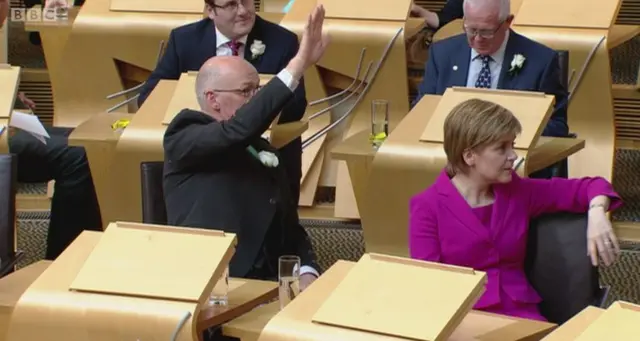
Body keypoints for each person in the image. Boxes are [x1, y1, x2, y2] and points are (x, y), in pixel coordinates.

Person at [409, 98, 621, 321]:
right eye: (502, 148)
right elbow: (429, 287)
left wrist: (597, 211)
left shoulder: (518, 191)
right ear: (469, 155)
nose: (514, 156)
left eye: (512, 145)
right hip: (461, 320)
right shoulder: (427, 207)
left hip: (523, 316)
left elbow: (592, 186)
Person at [163, 4, 328, 291]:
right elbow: (237, 130)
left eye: (257, 91)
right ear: (213, 99)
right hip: (214, 284)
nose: (254, 99)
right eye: (245, 92)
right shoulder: (184, 134)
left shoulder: (268, 152)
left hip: (269, 284)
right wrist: (297, 65)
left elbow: (290, 230)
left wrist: (308, 271)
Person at [139, 0, 307, 206]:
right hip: (206, 151)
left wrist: (253, 108)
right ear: (211, 10)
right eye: (231, 5)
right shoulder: (184, 40)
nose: (243, 11)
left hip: (265, 145)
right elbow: (149, 97)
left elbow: (296, 104)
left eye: (246, 1)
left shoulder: (282, 41)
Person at [0, 0, 102, 260]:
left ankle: (85, 252)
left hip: (7, 121)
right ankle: (63, 259)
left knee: (87, 142)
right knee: (77, 156)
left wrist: (11, 92)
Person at [415, 0, 568, 140]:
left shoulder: (541, 61)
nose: (477, 38)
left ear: (508, 22)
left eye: (486, 32)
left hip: (510, 158)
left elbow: (557, 127)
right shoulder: (442, 54)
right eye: (471, 30)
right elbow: (421, 111)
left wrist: (500, 133)